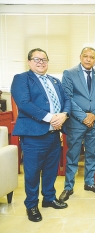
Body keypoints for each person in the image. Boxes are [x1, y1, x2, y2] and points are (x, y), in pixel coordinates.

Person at [11, 48, 71, 222]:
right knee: (32, 173)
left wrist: (64, 115)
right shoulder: (22, 79)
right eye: (36, 59)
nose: (41, 62)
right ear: (29, 61)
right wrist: (51, 118)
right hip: (33, 136)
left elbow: (66, 100)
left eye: (44, 59)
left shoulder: (55, 80)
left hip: (54, 134)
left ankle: (49, 198)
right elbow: (24, 103)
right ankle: (31, 205)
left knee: (51, 170)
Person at [59, 47, 95, 202]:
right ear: (80, 57)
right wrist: (83, 117)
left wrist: (94, 115)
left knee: (92, 154)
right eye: (85, 56)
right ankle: (68, 187)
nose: (88, 59)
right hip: (76, 123)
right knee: (73, 155)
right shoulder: (69, 73)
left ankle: (89, 183)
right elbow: (67, 98)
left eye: (92, 57)